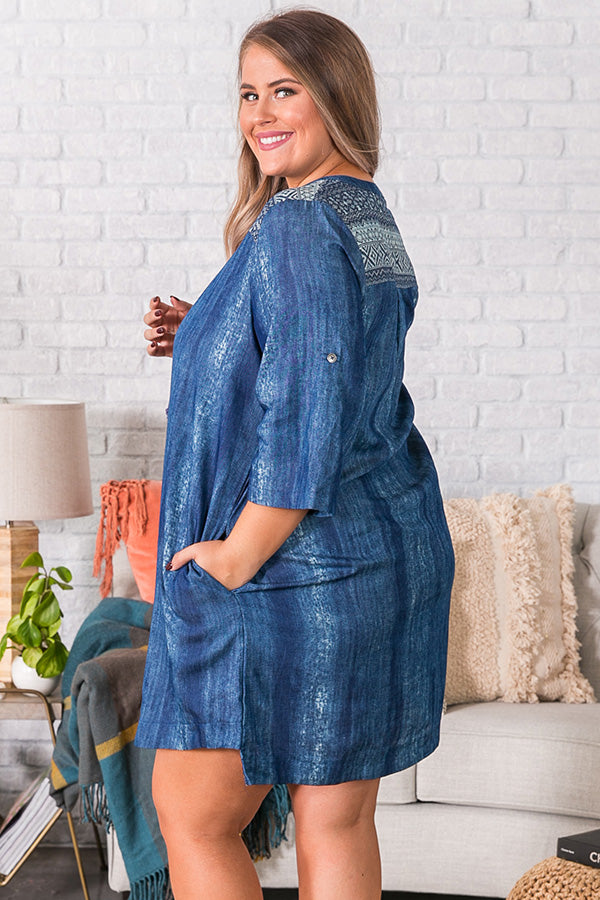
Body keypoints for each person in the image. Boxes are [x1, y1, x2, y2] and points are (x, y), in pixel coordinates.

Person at [136, 9, 455, 899]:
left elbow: (306, 409)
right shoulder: (366, 212)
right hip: (385, 552)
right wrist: (210, 327)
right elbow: (339, 354)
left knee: (192, 815)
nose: (260, 114)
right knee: (336, 821)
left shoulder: (299, 224)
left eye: (285, 90)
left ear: (335, 95)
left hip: (297, 569)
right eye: (248, 94)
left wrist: (237, 554)